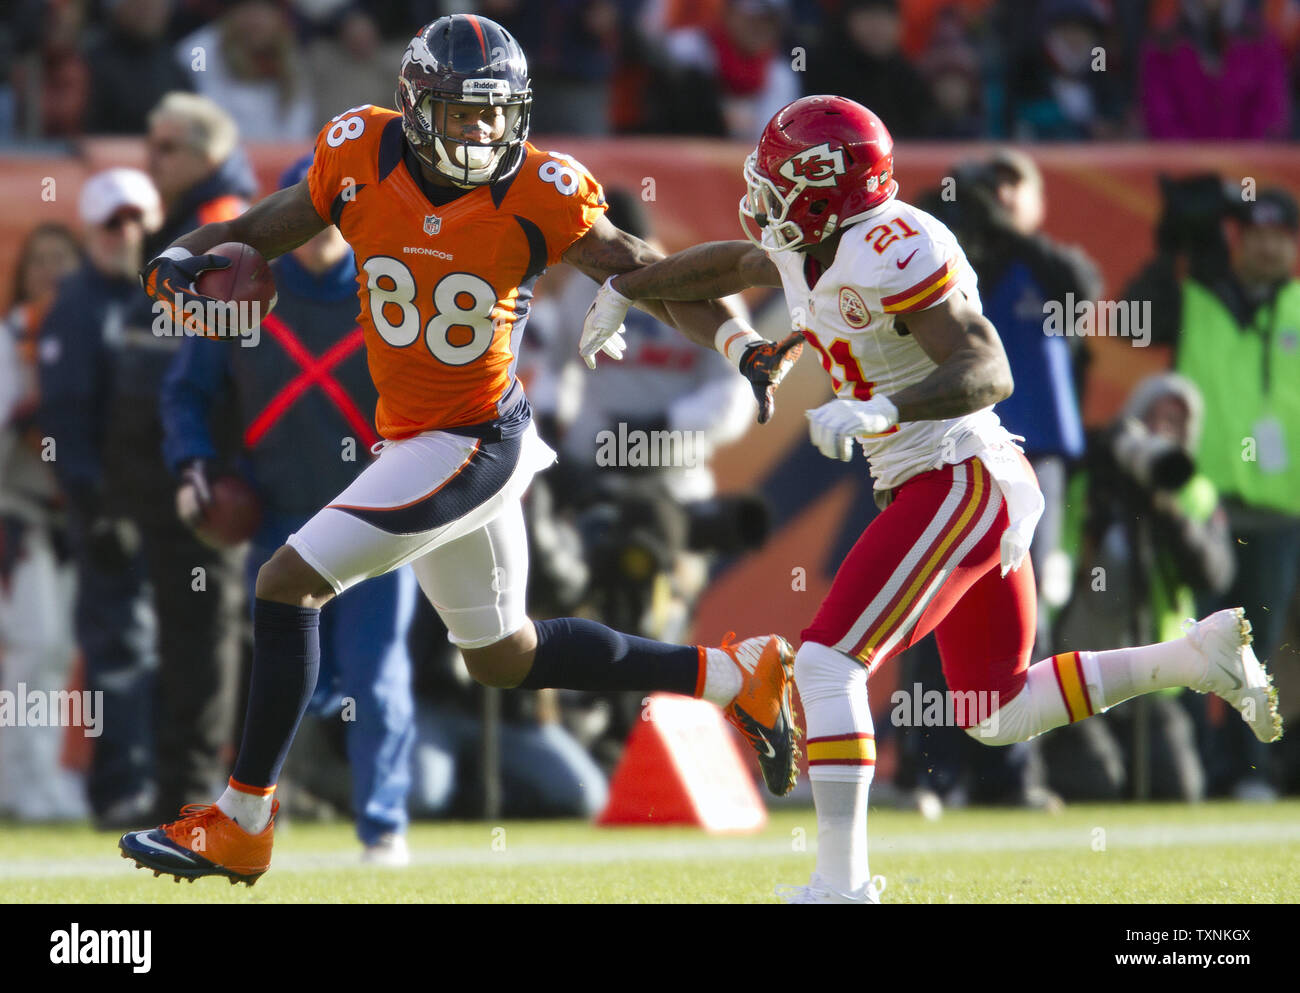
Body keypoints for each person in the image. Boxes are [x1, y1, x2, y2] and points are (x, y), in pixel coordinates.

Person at [120, 13, 803, 886]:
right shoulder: (358, 150)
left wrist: (741, 343)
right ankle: (734, 676)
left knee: (286, 582)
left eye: (495, 113)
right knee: (504, 656)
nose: (481, 132)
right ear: (413, 106)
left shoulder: (543, 191)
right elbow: (287, 218)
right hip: (422, 435)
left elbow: (646, 270)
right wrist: (192, 247)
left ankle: (243, 820)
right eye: (461, 112)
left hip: (474, 438)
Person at [584, 94, 1283, 903]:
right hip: (933, 481)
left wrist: (886, 407)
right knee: (997, 707)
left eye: (781, 179)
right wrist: (632, 284)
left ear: (827, 186)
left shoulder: (896, 243)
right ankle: (1194, 656)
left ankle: (841, 885)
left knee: (827, 660)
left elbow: (990, 367)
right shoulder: (804, 242)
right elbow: (728, 265)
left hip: (959, 471)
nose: (764, 196)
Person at [159, 154, 419, 866]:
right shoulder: (241, 291)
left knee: (377, 673)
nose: (320, 223)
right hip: (277, 517)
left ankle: (383, 829)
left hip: (379, 515)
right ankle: (257, 812)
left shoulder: (391, 288)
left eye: (338, 206)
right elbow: (187, 391)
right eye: (308, 207)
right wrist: (193, 467)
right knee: (291, 678)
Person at [36, 169, 166, 827]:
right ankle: (121, 789)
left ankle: (174, 785)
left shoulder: (165, 295)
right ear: (90, 226)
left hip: (172, 511)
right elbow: (65, 418)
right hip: (113, 509)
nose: (126, 233)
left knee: (172, 648)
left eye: (136, 219)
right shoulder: (77, 306)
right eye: (113, 222)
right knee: (121, 648)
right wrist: (91, 503)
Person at [1046, 372, 1234, 802]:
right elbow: (1058, 571)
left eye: (1179, 423)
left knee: (1178, 790)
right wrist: (1108, 499)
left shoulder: (1197, 494)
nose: (1167, 432)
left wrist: (1164, 510)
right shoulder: (1091, 486)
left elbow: (1213, 575)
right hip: (1083, 671)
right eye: (1157, 418)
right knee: (1097, 783)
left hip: (1155, 679)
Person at [0, 222, 84, 821]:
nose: (52, 271)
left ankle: (40, 779)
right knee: (36, 647)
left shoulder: (89, 332)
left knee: (56, 654)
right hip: (18, 513)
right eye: (40, 260)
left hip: (71, 519)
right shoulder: (11, 337)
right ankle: (20, 782)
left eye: (63, 259)